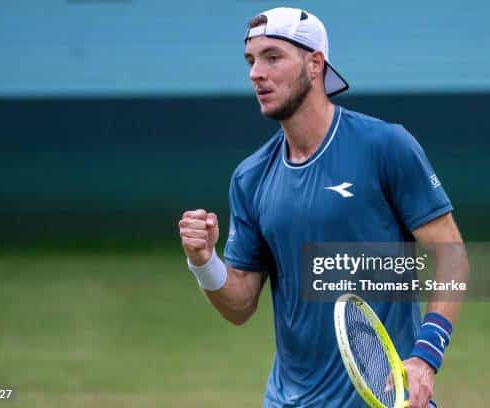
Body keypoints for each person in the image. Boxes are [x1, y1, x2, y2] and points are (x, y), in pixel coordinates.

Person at [179, 7, 468, 408]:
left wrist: (425, 358)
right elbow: (240, 305)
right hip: (287, 400)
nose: (255, 73)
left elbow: (451, 256)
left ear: (315, 64)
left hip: (386, 399)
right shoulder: (250, 177)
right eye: (251, 61)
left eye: (272, 57)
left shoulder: (386, 146)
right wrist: (203, 261)